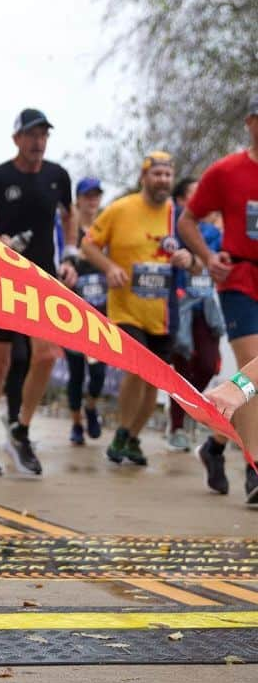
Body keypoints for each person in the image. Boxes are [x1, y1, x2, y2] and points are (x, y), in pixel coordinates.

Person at [0, 109, 78, 475]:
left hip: (42, 279)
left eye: (44, 135)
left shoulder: (57, 176)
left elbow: (70, 215)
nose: (38, 142)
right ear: (16, 139)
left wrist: (70, 255)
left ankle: (21, 430)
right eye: (31, 135)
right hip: (0, 281)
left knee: (46, 355)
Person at [81, 152, 194, 466]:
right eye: (157, 174)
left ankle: (131, 437)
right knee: (136, 368)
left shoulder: (179, 216)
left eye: (168, 175)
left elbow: (198, 263)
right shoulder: (121, 209)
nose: (163, 180)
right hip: (126, 308)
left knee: (154, 379)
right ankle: (122, 432)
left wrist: (189, 260)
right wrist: (109, 267)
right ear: (144, 177)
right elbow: (88, 245)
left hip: (163, 311)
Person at [178, 95, 258, 500]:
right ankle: (254, 468)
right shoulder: (225, 171)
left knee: (252, 379)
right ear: (249, 121)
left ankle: (216, 446)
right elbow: (187, 220)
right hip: (239, 278)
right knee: (252, 369)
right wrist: (209, 258)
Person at [166, 178, 224, 452]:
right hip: (178, 307)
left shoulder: (213, 232)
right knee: (183, 367)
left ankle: (186, 406)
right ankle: (177, 427)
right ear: (179, 201)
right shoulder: (170, 229)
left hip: (205, 307)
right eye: (194, 193)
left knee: (208, 365)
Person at [65, 177, 108, 445]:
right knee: (76, 372)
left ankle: (91, 406)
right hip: (71, 313)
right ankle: (76, 424)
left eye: (97, 195)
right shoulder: (69, 231)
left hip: (100, 313)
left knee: (98, 373)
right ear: (78, 199)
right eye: (87, 195)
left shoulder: (105, 229)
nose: (92, 200)